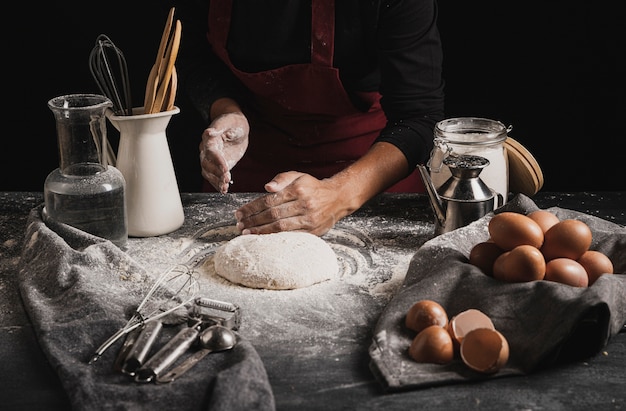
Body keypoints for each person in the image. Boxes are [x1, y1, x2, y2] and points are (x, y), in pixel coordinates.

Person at [173, 0, 445, 236]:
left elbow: (418, 117)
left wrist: (338, 194)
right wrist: (227, 111)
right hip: (251, 158)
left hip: (368, 166)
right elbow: (194, 57)